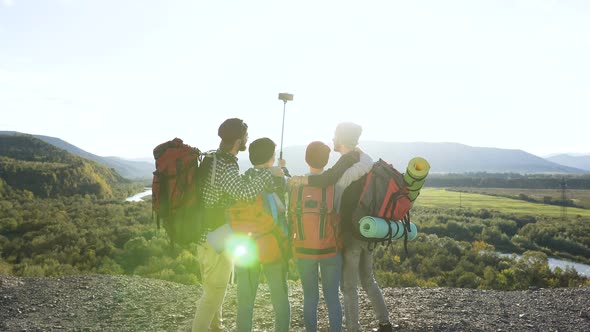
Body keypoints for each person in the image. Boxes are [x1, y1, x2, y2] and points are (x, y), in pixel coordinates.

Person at [289, 122, 394, 332]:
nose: (333, 139)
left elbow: (327, 179)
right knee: (368, 278)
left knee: (348, 287)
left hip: (350, 233)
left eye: (335, 136)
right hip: (369, 228)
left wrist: (300, 179)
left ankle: (353, 328)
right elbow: (363, 162)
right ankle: (384, 322)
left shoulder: (346, 162)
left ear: (341, 140)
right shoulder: (362, 160)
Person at [192, 119, 284, 332]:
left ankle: (217, 327)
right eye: (245, 136)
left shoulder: (213, 159)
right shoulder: (225, 165)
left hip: (205, 237)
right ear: (238, 140)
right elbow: (246, 193)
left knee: (214, 290)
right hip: (215, 239)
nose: (247, 140)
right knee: (212, 295)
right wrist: (267, 173)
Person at [235, 137, 291, 332]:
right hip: (273, 244)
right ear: (271, 158)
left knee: (245, 300)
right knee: (279, 296)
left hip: (247, 244)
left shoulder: (244, 179)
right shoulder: (276, 177)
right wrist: (283, 171)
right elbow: (289, 187)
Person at [295, 141, 343, 332]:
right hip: (330, 248)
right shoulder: (335, 187)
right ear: (327, 160)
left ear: (306, 158)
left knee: (310, 298)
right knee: (332, 298)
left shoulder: (296, 186)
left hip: (303, 249)